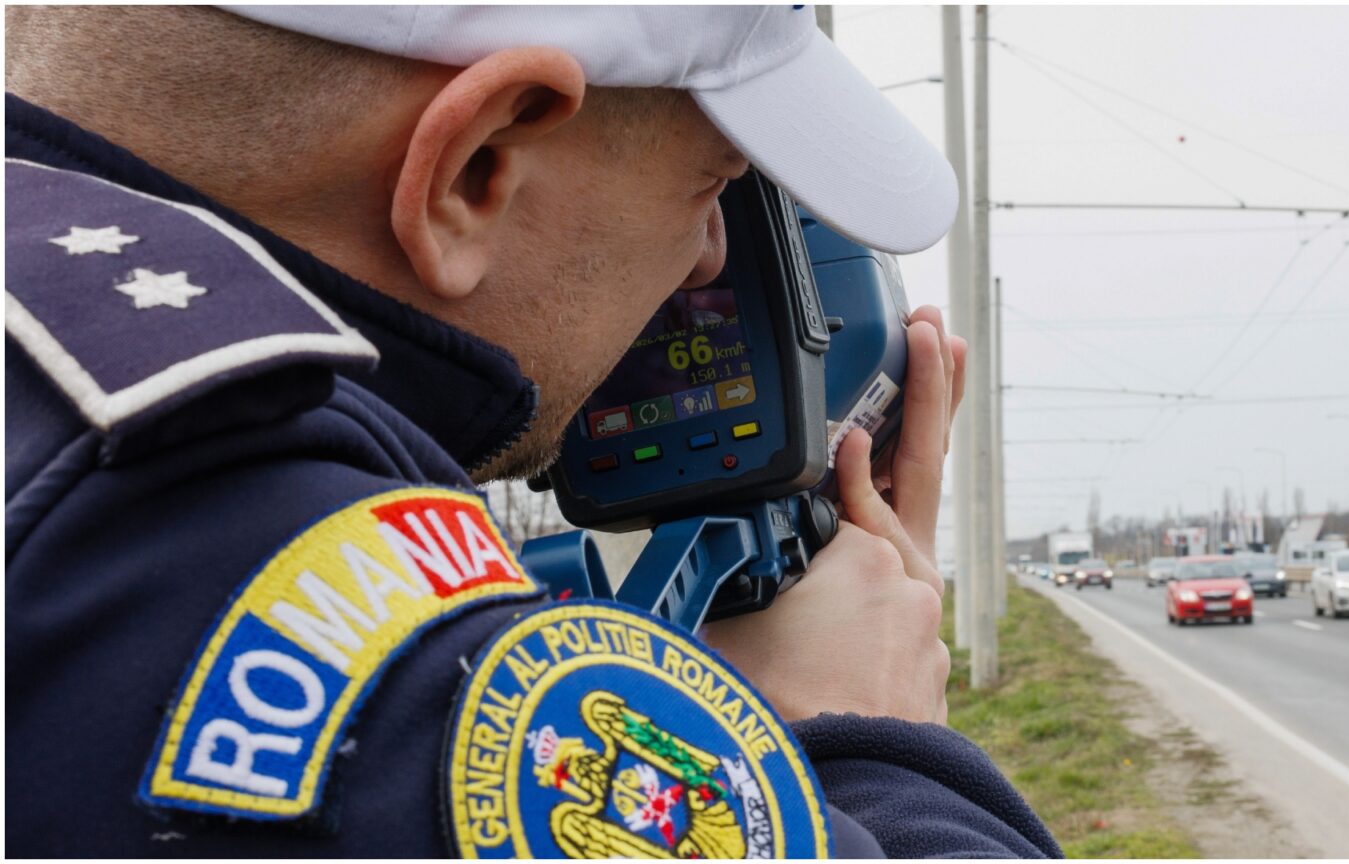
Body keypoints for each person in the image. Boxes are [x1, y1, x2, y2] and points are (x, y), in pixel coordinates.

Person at [4, 6, 1061, 858]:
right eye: (712, 189)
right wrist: (867, 741)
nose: (704, 260)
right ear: (475, 169)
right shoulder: (331, 626)